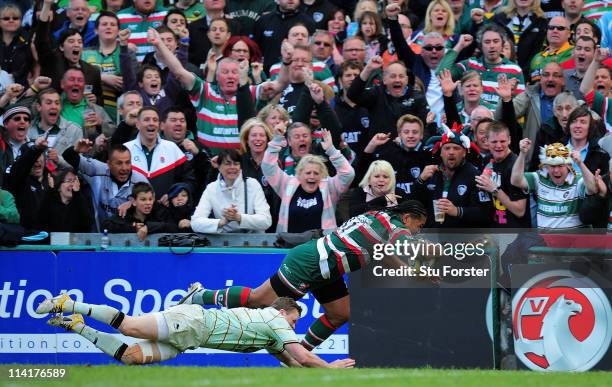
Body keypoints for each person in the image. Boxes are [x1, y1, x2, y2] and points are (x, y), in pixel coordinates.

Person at [179, 199, 428, 351]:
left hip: (327, 270)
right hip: (309, 263)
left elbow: (385, 252)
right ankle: (200, 295)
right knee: (257, 300)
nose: (418, 231)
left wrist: (411, 272)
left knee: (341, 313)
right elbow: (401, 241)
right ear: (407, 217)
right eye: (419, 225)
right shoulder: (392, 227)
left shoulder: (380, 217)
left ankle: (298, 356)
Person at [35, 294, 355, 368]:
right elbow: (300, 352)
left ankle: (77, 327)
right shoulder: (274, 320)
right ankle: (71, 303)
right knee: (130, 325)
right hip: (192, 323)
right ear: (283, 312)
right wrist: (331, 366)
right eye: (294, 321)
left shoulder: (271, 335)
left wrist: (320, 374)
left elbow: (294, 362)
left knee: (131, 357)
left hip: (191, 339)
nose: (293, 327)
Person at [263, 126, 354, 233]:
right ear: (299, 174)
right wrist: (276, 141)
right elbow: (268, 167)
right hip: (289, 244)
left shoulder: (329, 187)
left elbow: (348, 174)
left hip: (320, 246)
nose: (312, 176)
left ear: (322, 175)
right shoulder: (287, 185)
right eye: (308, 173)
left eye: (316, 173)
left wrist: (331, 150)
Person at [511, 139, 601, 229]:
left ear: (568, 165)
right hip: (545, 241)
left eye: (560, 165)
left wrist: (580, 163)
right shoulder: (539, 178)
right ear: (546, 166)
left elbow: (593, 188)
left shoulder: (577, 179)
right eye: (552, 166)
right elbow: (515, 180)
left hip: (574, 241)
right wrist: (522, 154)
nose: (556, 170)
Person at [415, 124, 492, 228]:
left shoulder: (475, 176)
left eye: (456, 148)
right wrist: (420, 180)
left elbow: (485, 215)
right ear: (441, 152)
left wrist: (457, 211)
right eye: (447, 148)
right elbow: (415, 205)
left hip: (463, 240)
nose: (451, 152)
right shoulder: (431, 174)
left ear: (464, 152)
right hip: (433, 239)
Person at [62, 139, 149, 229]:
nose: (124, 168)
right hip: (99, 237)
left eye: (128, 163)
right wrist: (75, 150)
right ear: (109, 164)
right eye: (119, 163)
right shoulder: (97, 170)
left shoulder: (140, 181)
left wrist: (134, 203)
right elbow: (68, 157)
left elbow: (153, 205)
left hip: (129, 237)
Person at [347, 56, 428, 150]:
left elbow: (426, 127)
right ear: (384, 80)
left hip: (410, 154)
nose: (397, 80)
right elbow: (352, 95)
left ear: (406, 80)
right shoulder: (376, 94)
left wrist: (414, 146)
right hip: (381, 154)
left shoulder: (417, 97)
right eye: (393, 76)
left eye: (401, 76)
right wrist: (368, 69)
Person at [438, 23, 526, 105]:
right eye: (487, 42)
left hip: (499, 120)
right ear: (480, 46)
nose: (492, 45)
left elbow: (520, 105)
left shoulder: (515, 70)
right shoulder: (470, 64)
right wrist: (460, 46)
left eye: (496, 41)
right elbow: (441, 73)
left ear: (502, 44)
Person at [495, 63, 566, 164]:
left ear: (563, 81)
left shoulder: (570, 100)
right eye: (546, 75)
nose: (550, 79)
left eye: (555, 75)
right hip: (532, 163)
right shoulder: (529, 95)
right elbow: (500, 116)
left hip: (562, 163)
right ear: (540, 79)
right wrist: (505, 98)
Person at [36, 0, 103, 106]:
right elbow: (41, 40)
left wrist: (96, 100)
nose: (76, 45)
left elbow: (100, 101)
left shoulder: (92, 71)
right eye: (71, 41)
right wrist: (47, 4)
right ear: (61, 47)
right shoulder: (51, 62)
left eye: (80, 42)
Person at [124, 106, 196, 204]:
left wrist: (174, 194)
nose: (151, 123)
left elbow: (189, 181)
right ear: (137, 124)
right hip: (133, 213)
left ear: (159, 124)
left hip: (165, 213)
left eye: (155, 120)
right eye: (146, 120)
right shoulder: (126, 149)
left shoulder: (172, 148)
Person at [191, 148, 272, 233]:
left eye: (236, 164)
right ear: (219, 167)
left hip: (253, 242)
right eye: (227, 164)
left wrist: (238, 217)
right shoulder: (211, 188)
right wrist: (221, 222)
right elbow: (195, 223)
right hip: (223, 242)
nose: (232, 167)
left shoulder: (253, 184)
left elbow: (266, 221)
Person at [474, 121, 530, 227]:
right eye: (494, 142)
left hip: (516, 234)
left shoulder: (515, 166)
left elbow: (519, 211)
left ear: (509, 140)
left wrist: (495, 190)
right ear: (486, 141)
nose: (499, 146)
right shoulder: (488, 160)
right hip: (495, 230)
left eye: (502, 141)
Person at [253, 0, 315, 73]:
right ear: (277, 1)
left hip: (297, 71)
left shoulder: (308, 22)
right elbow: (256, 50)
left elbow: (311, 50)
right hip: (267, 72)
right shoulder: (264, 20)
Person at [102, 181, 179, 240]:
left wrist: (149, 227)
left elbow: (174, 227)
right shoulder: (126, 212)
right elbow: (105, 226)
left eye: (150, 199)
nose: (148, 203)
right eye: (143, 199)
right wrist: (132, 228)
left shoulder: (160, 211)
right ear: (134, 201)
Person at [492, 0, 548, 78]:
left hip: (527, 75)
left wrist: (524, 73)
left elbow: (538, 52)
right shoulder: (499, 18)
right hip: (499, 71)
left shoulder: (541, 22)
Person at [36, 167, 94, 232]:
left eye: (75, 181)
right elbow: (40, 221)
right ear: (59, 187)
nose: (72, 184)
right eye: (69, 181)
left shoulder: (81, 202)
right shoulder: (51, 203)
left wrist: (77, 194)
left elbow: (88, 224)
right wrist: (50, 191)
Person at [529, 16, 574, 83]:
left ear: (569, 34)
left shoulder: (575, 54)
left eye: (560, 28)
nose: (555, 31)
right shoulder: (537, 57)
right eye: (551, 28)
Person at [0, 3, 31, 86]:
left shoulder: (28, 39)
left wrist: (13, 75)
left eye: (15, 18)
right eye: (6, 18)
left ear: (20, 21)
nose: (11, 20)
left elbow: (30, 64)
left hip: (22, 87)